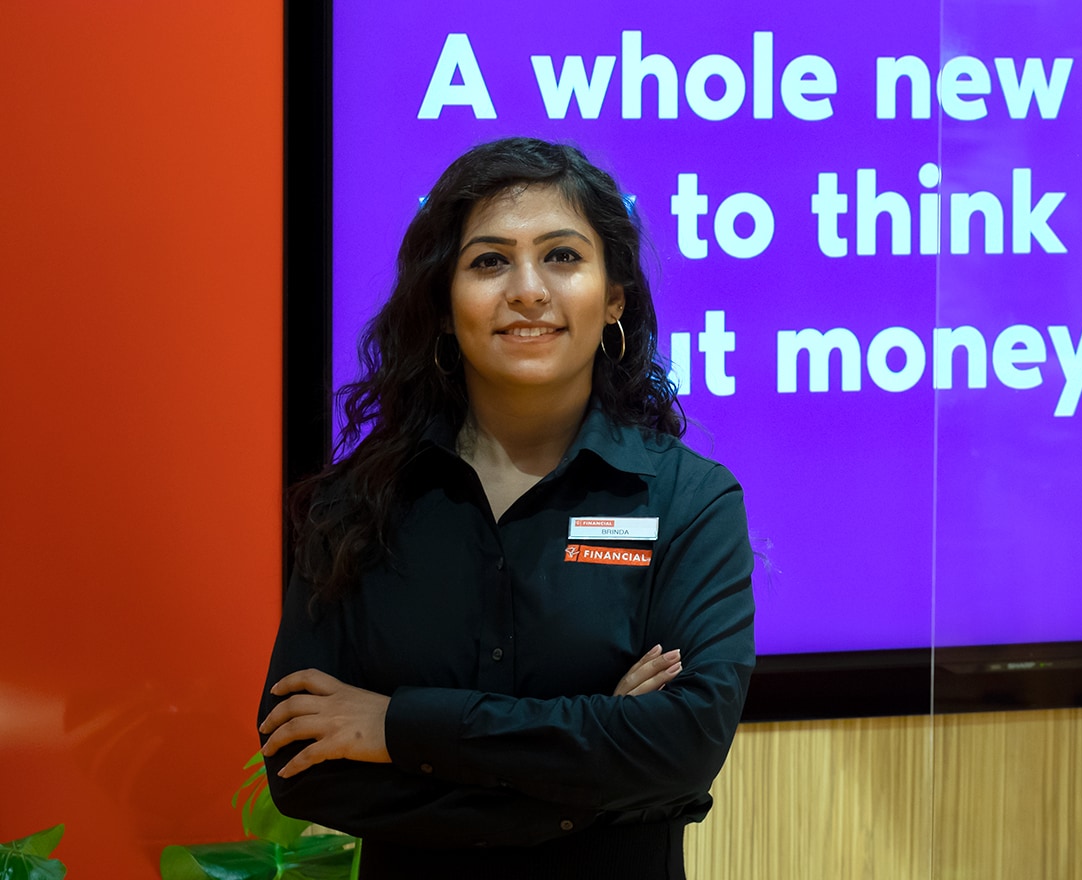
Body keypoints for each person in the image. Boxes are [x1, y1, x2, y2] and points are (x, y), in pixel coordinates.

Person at [256, 137, 754, 879]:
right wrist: (588, 772)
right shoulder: (354, 506)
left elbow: (679, 749)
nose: (528, 289)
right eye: (489, 261)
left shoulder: (689, 502)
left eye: (562, 256)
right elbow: (303, 767)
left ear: (613, 296)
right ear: (442, 299)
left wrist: (396, 727)